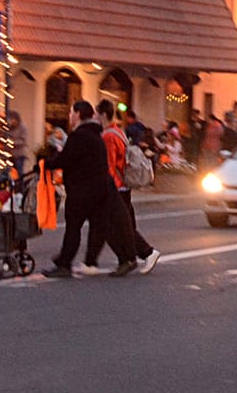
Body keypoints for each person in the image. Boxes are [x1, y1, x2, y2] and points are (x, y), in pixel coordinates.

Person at [42, 101, 135, 278]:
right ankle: (113, 260)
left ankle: (65, 264)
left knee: (74, 227)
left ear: (78, 114)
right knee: (101, 226)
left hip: (83, 190)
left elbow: (65, 159)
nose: (69, 116)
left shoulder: (79, 136)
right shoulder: (95, 135)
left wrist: (43, 164)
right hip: (100, 188)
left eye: (71, 112)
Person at [82, 100, 159, 276]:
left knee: (118, 226)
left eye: (96, 114)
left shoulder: (108, 136)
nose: (94, 117)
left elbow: (108, 164)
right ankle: (106, 260)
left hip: (115, 186)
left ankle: (143, 254)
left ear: (103, 115)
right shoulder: (118, 131)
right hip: (122, 185)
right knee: (118, 225)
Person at [2, 111, 31, 176]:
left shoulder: (23, 128)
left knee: (19, 172)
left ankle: (19, 182)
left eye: (13, 119)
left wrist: (12, 142)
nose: (12, 121)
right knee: (10, 172)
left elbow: (23, 141)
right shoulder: (9, 128)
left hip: (19, 154)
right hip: (10, 154)